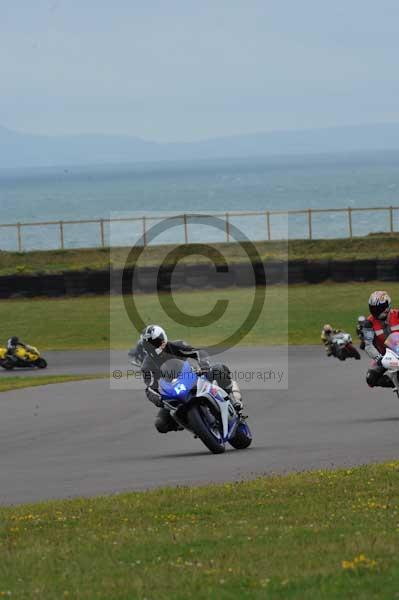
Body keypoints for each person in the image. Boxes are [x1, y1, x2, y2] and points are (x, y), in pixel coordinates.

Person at [140, 324, 243, 434]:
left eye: (156, 342)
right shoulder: (147, 366)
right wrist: (159, 399)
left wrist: (204, 366)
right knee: (161, 424)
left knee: (219, 368)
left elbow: (198, 352)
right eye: (150, 344)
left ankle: (233, 400)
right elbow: (150, 387)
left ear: (163, 338)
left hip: (194, 377)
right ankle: (193, 425)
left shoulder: (176, 345)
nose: (154, 346)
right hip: (174, 393)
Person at [363, 291, 399, 388]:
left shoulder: (397, 315)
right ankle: (393, 382)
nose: (376, 312)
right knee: (370, 379)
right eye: (373, 309)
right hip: (384, 356)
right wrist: (379, 358)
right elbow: (368, 345)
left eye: (379, 309)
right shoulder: (368, 323)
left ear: (388, 306)